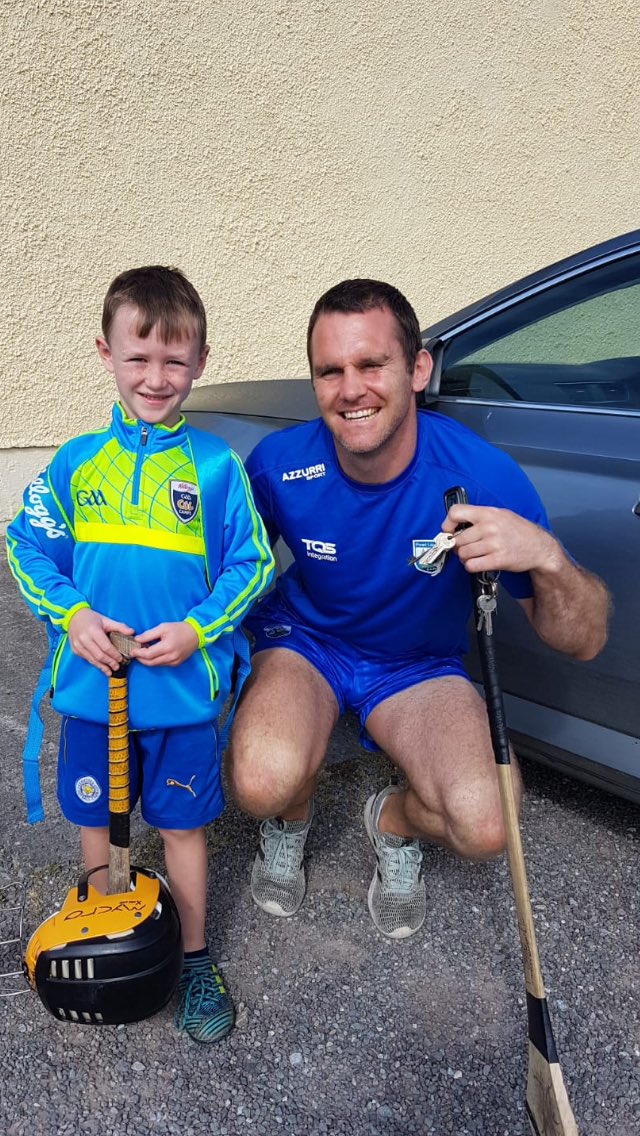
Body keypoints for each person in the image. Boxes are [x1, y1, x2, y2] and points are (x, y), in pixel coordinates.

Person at [227, 278, 610, 941]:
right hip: (307, 643)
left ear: (418, 368)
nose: (351, 389)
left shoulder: (480, 476)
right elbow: (229, 571)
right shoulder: (280, 463)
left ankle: (392, 821)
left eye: (372, 364)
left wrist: (546, 556)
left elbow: (584, 639)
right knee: (261, 782)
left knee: (488, 824)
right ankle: (290, 817)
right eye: (330, 371)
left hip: (417, 666)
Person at [6, 266, 274, 1039]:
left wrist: (199, 629)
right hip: (93, 694)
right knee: (99, 817)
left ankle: (192, 958)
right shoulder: (74, 462)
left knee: (183, 826)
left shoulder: (217, 469)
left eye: (174, 360)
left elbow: (250, 564)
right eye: (138, 357)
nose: (156, 378)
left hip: (182, 696)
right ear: (105, 351)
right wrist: (74, 613)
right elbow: (26, 547)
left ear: (201, 361)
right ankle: (107, 922)